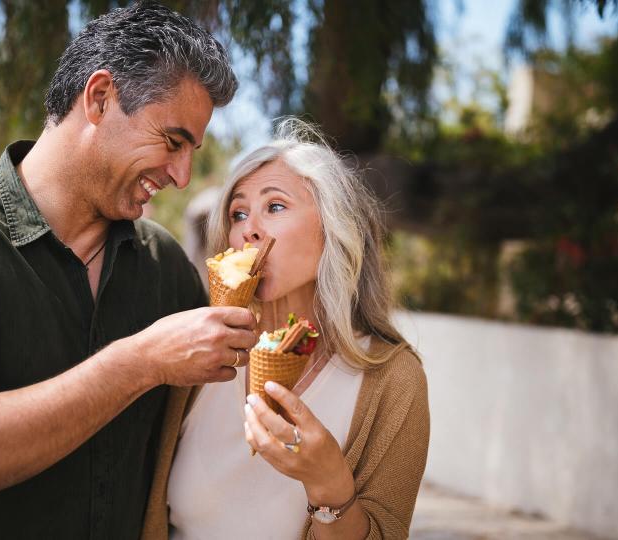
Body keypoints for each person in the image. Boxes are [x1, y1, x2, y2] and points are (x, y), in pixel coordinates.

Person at [0, 2, 257, 538]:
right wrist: (142, 361)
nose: (182, 176)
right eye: (172, 141)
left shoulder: (166, 270)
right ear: (99, 98)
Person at [141, 118, 431, 539]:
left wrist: (331, 484)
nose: (248, 229)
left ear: (333, 226)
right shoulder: (201, 348)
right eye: (238, 213)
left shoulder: (393, 380)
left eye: (274, 206)